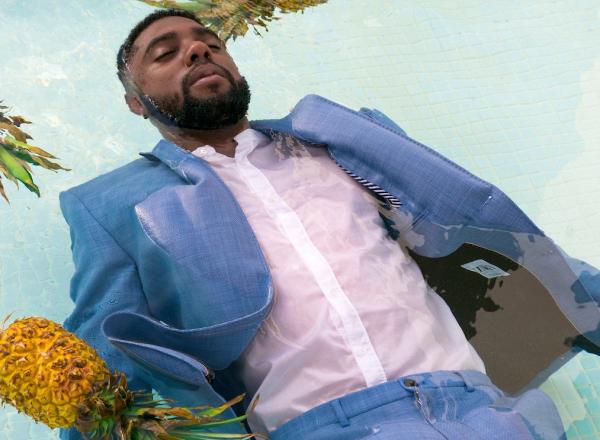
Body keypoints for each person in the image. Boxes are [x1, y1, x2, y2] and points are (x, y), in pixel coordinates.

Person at [59, 8, 600, 440]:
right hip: (320, 425)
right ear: (135, 102)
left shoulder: (338, 142)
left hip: (483, 410)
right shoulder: (114, 205)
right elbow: (105, 360)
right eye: (166, 53)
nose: (199, 49)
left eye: (210, 41)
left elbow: (480, 232)